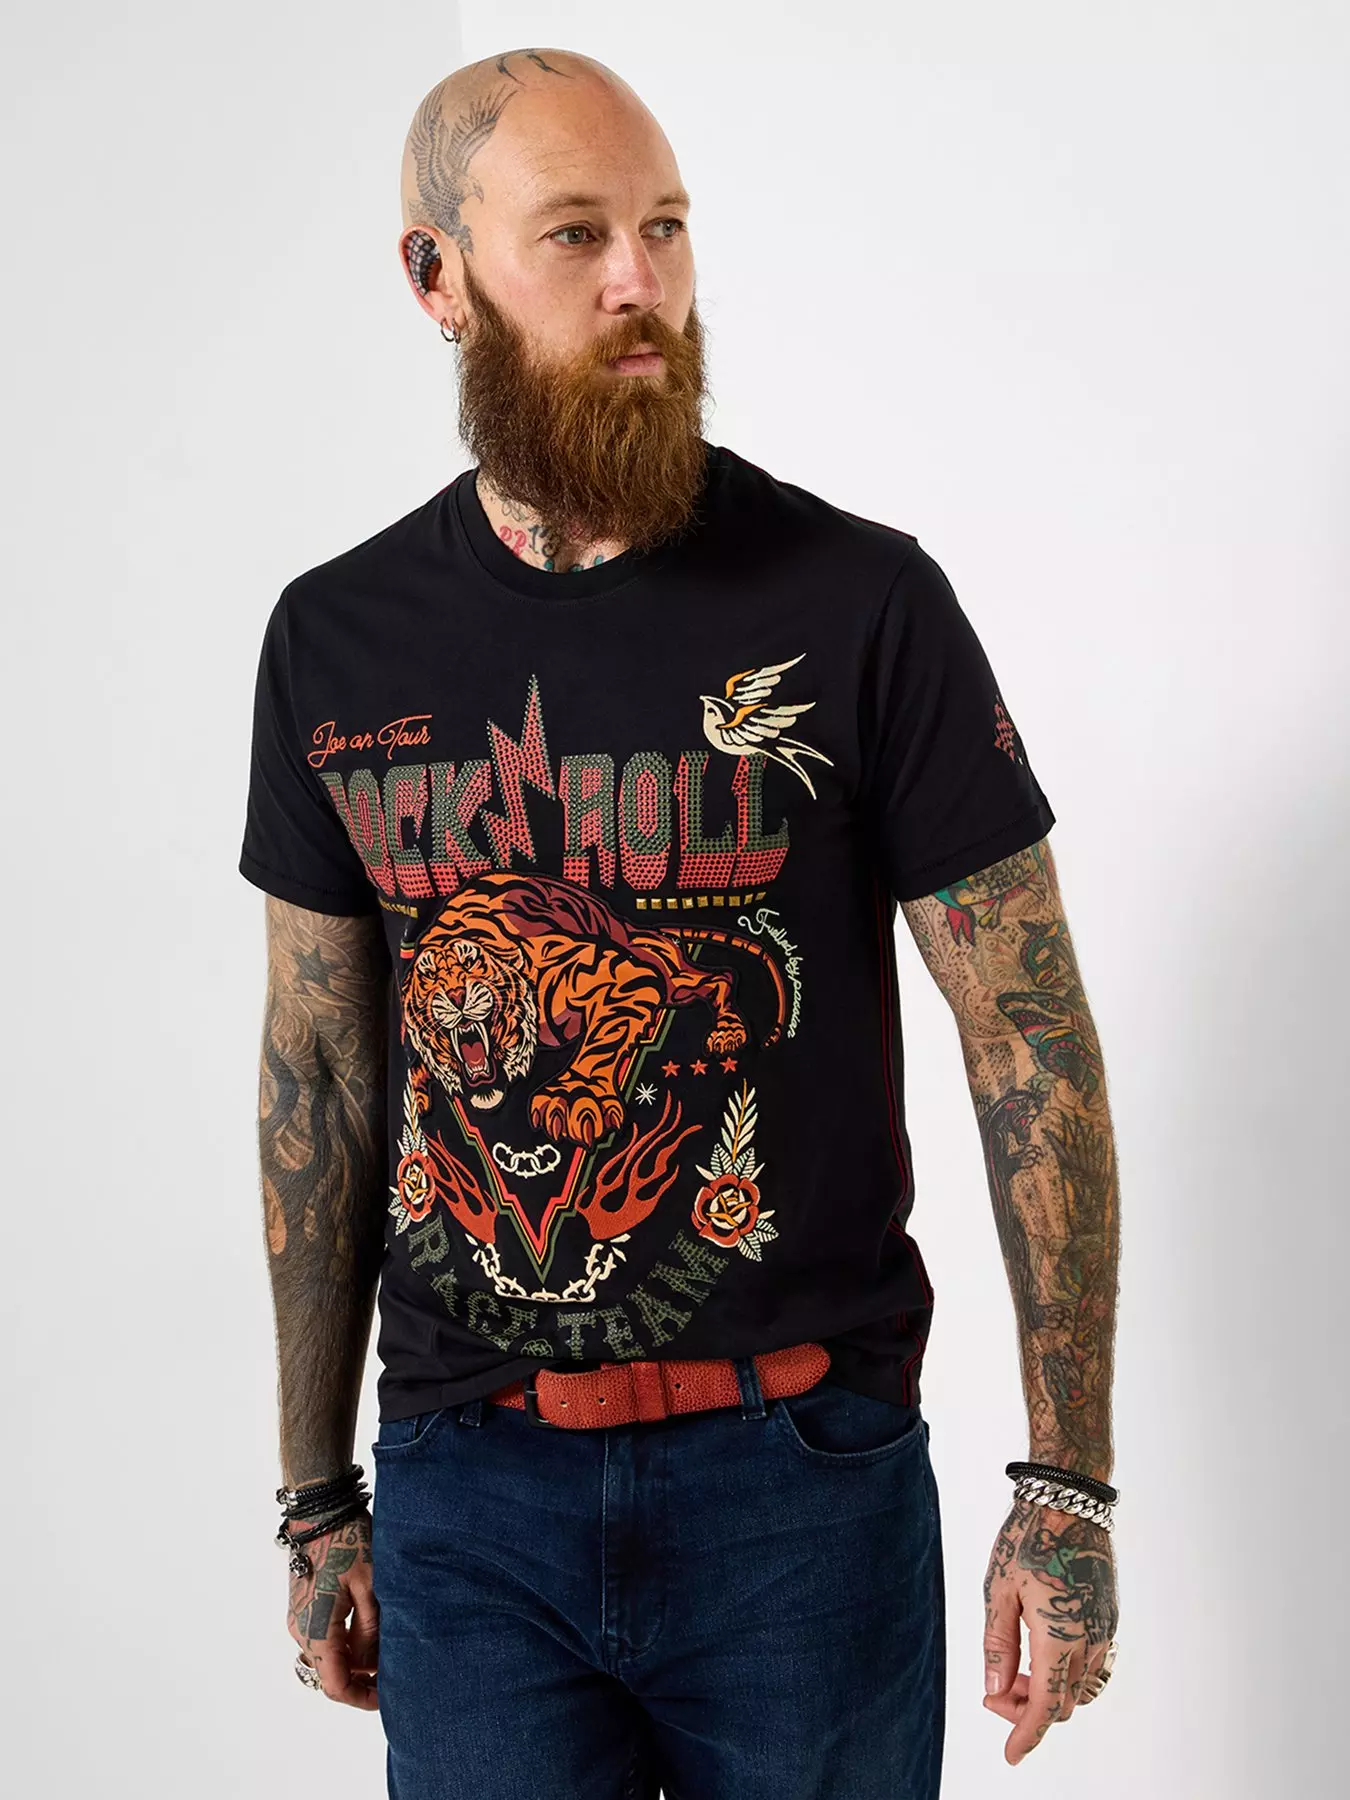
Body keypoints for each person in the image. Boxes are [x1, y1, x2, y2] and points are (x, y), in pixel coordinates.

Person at [239, 44, 1122, 1800]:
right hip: (469, 1498)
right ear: (437, 277)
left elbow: (1024, 1032)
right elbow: (320, 1076)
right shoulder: (334, 638)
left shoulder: (857, 601)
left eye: (665, 225)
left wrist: (1066, 1487)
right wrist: (316, 1496)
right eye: (575, 234)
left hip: (799, 1485)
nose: (640, 280)